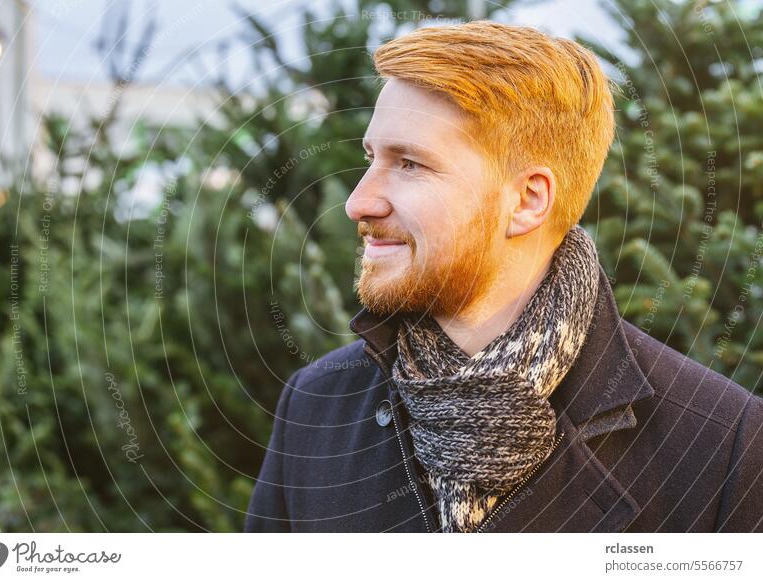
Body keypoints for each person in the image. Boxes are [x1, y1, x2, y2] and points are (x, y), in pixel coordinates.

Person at [244, 20, 763, 533]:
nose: (359, 202)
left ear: (527, 201)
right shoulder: (315, 407)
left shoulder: (723, 443)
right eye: (371, 157)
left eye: (409, 164)